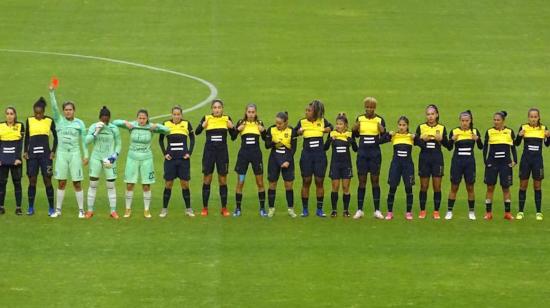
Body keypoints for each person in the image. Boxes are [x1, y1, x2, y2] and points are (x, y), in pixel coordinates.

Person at [113, 109, 169, 218]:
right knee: (129, 184)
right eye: (140, 118)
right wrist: (125, 123)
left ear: (147, 118)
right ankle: (128, 209)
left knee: (146, 185)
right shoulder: (132, 125)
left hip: (146, 159)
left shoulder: (151, 127)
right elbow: (115, 122)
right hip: (132, 158)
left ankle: (146, 210)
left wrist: (156, 126)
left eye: (144, 118)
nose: (142, 120)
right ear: (137, 118)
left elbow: (167, 130)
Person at [48, 86, 89, 218]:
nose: (68, 112)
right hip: (62, 155)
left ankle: (81, 210)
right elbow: (54, 107)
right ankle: (58, 210)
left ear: (74, 111)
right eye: (66, 110)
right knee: (61, 182)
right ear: (63, 111)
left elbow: (84, 141)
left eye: (70, 110)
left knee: (77, 182)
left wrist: (86, 155)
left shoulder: (80, 124)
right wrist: (51, 92)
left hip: (75, 155)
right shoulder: (59, 120)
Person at [195, 99, 236, 216]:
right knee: (207, 178)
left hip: (222, 153)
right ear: (211, 109)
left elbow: (233, 137)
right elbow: (197, 132)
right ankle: (205, 208)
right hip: (209, 153)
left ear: (222, 109)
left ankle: (224, 208)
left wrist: (232, 127)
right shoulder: (206, 118)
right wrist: (202, 126)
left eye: (219, 107)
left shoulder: (227, 118)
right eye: (215, 107)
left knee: (222, 180)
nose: (217, 109)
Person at [294, 100, 332, 217]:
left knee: (319, 181)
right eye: (306, 110)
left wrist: (327, 130)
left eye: (309, 110)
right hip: (307, 155)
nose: (306, 112)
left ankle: (319, 209)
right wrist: (299, 132)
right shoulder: (302, 122)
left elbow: (331, 127)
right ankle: (305, 209)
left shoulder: (322, 121)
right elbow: (294, 132)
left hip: (319, 155)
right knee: (306, 181)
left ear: (315, 112)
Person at [352, 97, 387, 219]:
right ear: (365, 107)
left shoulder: (379, 120)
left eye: (371, 107)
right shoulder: (360, 119)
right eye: (367, 107)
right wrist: (355, 129)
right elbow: (355, 135)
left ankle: (377, 210)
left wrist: (382, 130)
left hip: (374, 154)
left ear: (375, 108)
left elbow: (384, 137)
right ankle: (359, 210)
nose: (369, 109)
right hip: (362, 154)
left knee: (375, 181)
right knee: (362, 181)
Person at [84, 106, 121, 219]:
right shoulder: (94, 127)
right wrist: (96, 132)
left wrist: (114, 156)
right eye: (103, 119)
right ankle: (90, 211)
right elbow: (86, 141)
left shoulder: (114, 128)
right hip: (96, 158)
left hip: (109, 159)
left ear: (109, 118)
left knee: (111, 185)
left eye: (107, 119)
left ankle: (113, 211)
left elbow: (119, 144)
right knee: (93, 184)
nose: (104, 121)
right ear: (99, 118)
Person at [445, 110, 483, 220]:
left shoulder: (474, 131)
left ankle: (471, 212)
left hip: (469, 163)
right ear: (459, 121)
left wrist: (478, 139)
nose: (464, 123)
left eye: (467, 121)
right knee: (454, 186)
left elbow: (481, 147)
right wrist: (451, 140)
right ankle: (449, 211)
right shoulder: (455, 131)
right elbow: (449, 147)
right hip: (457, 162)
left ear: (470, 121)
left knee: (470, 187)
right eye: (462, 121)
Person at [159, 105, 195, 218]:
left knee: (185, 184)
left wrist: (189, 152)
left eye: (178, 114)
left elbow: (192, 138)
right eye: (174, 114)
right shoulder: (165, 124)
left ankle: (188, 209)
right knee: (168, 184)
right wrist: (165, 153)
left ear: (181, 115)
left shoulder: (186, 124)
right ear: (171, 115)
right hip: (171, 160)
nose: (176, 116)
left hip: (183, 159)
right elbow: (160, 140)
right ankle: (164, 209)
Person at [415, 104, 450, 219]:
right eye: (428, 114)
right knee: (424, 186)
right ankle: (423, 211)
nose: (430, 116)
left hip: (437, 159)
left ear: (437, 115)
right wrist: (421, 140)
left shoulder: (441, 128)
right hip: (424, 159)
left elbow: (449, 146)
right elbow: (415, 142)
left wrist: (442, 139)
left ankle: (436, 211)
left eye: (432, 114)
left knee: (437, 186)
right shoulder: (420, 127)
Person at [514, 108, 550, 221]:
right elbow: (517, 143)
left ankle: (538, 212)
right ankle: (520, 211)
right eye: (531, 117)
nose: (533, 119)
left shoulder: (544, 128)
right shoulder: (524, 127)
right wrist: (519, 135)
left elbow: (547, 144)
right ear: (528, 117)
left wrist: (548, 137)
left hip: (537, 161)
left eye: (535, 117)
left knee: (537, 186)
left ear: (538, 117)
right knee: (523, 185)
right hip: (526, 160)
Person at [24, 97, 57, 216]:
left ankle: (51, 208)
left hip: (45, 156)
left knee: (47, 180)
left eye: (40, 113)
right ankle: (31, 207)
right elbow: (27, 136)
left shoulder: (49, 120)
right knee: (32, 180)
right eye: (35, 113)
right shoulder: (29, 120)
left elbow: (56, 137)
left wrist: (53, 151)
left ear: (43, 112)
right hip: (32, 155)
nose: (37, 115)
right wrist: (25, 151)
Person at [233, 103, 267, 217]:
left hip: (256, 156)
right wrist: (238, 129)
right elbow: (232, 137)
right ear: (245, 112)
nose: (251, 114)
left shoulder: (260, 123)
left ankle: (262, 209)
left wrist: (263, 131)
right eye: (249, 112)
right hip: (243, 156)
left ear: (256, 113)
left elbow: (266, 141)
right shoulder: (241, 123)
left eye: (253, 112)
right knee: (240, 182)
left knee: (260, 182)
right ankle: (238, 209)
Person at [483, 111, 517, 220]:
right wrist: (486, 161)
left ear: (503, 121)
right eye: (494, 120)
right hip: (492, 163)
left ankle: (507, 213)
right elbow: (485, 148)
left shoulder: (509, 132)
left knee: (506, 188)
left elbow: (513, 147)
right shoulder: (489, 132)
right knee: (490, 187)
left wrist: (514, 160)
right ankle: (488, 213)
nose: (496, 122)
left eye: (498, 120)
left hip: (505, 164)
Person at [265, 111, 297, 218]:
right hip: (274, 158)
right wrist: (274, 142)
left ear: (286, 122)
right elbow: (267, 145)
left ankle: (290, 209)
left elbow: (293, 148)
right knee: (272, 183)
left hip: (287, 157)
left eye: (280, 123)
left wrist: (288, 161)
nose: (277, 125)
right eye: (276, 123)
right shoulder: (271, 129)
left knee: (288, 185)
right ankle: (271, 209)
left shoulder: (292, 131)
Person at [324, 113, 357, 217]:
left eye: (340, 124)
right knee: (335, 187)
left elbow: (356, 149)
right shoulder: (332, 133)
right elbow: (325, 148)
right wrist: (330, 140)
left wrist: (351, 141)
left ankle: (346, 210)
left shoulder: (350, 134)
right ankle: (334, 210)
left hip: (346, 165)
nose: (338, 126)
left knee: (345, 187)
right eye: (337, 124)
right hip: (335, 164)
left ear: (345, 125)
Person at [385, 116, 416, 220]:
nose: (401, 127)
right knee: (392, 188)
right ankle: (389, 212)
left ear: (407, 126)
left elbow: (422, 144)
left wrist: (416, 137)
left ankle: (408, 212)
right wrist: (388, 134)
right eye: (400, 125)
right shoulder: (394, 136)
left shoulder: (410, 137)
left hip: (408, 166)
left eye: (404, 125)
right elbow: (380, 140)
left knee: (408, 188)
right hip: (396, 165)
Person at [0, 107, 24, 215]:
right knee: (2, 183)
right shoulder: (0, 126)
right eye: (7, 113)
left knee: (17, 183)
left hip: (15, 160)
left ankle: (18, 207)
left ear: (15, 115)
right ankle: (1, 207)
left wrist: (18, 158)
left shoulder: (20, 126)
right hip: (2, 160)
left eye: (11, 113)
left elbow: (20, 144)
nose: (9, 116)